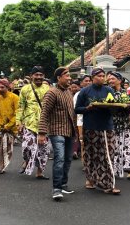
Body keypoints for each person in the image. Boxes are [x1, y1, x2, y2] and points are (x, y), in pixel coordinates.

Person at [75, 68, 121, 194]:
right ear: (93, 77)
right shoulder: (84, 91)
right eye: (99, 76)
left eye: (103, 76)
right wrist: (88, 108)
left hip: (107, 127)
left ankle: (108, 184)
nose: (102, 78)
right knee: (91, 155)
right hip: (90, 127)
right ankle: (90, 179)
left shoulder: (109, 90)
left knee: (108, 155)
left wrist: (115, 107)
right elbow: (77, 109)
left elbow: (114, 107)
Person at [38, 67, 77, 201]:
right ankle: (56, 189)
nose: (69, 78)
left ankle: (63, 184)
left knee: (68, 159)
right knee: (59, 158)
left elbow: (72, 113)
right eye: (66, 75)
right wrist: (42, 133)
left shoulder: (69, 92)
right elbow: (44, 113)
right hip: (56, 131)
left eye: (69, 75)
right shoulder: (51, 93)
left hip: (69, 131)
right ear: (59, 78)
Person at [16, 66, 50, 179]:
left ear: (44, 76)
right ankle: (26, 161)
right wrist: (18, 122)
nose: (39, 77)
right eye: (36, 75)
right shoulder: (25, 89)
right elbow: (20, 106)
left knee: (43, 150)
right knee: (26, 148)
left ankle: (40, 172)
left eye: (41, 75)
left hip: (45, 124)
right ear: (31, 76)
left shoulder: (48, 89)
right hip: (29, 123)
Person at [107, 71, 130, 180]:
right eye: (109, 79)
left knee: (129, 147)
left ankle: (129, 170)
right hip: (114, 126)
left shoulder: (126, 93)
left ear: (120, 80)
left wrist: (128, 106)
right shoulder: (108, 92)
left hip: (126, 124)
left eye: (113, 79)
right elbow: (108, 107)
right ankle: (114, 170)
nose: (110, 81)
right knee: (116, 149)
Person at [0, 79, 19, 174]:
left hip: (11, 127)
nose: (0, 89)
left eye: (2, 87)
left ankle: (2, 166)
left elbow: (17, 114)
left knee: (4, 148)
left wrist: (9, 125)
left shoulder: (14, 97)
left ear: (7, 87)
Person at [72, 75, 92, 160]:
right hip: (81, 120)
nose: (88, 82)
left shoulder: (93, 92)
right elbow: (76, 109)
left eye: (89, 81)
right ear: (81, 83)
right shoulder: (78, 94)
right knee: (83, 141)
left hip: (93, 121)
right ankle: (85, 162)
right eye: (86, 81)